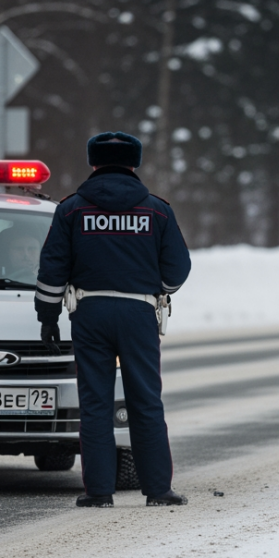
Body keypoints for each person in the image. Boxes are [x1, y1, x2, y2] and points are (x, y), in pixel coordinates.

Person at [34, 131, 192, 507]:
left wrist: (48, 316)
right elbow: (178, 268)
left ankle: (99, 492)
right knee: (145, 400)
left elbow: (52, 268)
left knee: (96, 403)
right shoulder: (157, 210)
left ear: (93, 163)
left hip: (90, 313)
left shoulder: (71, 210)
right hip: (139, 313)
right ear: (134, 164)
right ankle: (158, 490)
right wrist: (157, 289)